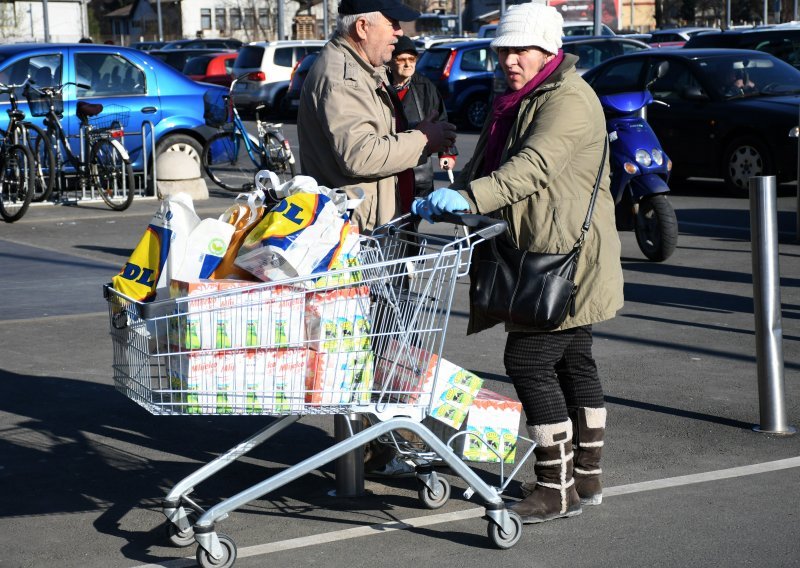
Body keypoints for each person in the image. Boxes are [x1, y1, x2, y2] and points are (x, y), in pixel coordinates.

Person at [413, 2, 624, 524]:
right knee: (573, 359)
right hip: (546, 251)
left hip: (563, 258)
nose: (510, 59)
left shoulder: (569, 99)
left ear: (549, 50)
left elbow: (531, 168)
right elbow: (488, 164)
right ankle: (585, 476)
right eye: (503, 49)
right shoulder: (514, 99)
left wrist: (472, 199)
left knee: (528, 361)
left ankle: (555, 488)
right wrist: (451, 191)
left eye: (521, 49)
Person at [297, 0, 457, 234]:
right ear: (362, 27)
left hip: (368, 224)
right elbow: (360, 155)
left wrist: (417, 135)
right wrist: (422, 139)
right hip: (357, 234)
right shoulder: (345, 78)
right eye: (392, 23)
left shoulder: (363, 67)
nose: (399, 32)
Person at [386, 35, 456, 210]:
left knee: (415, 216)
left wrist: (447, 153)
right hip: (388, 163)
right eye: (401, 60)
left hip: (419, 169)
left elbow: (440, 120)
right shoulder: (381, 86)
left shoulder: (425, 86)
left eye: (412, 59)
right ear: (390, 62)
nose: (408, 64)